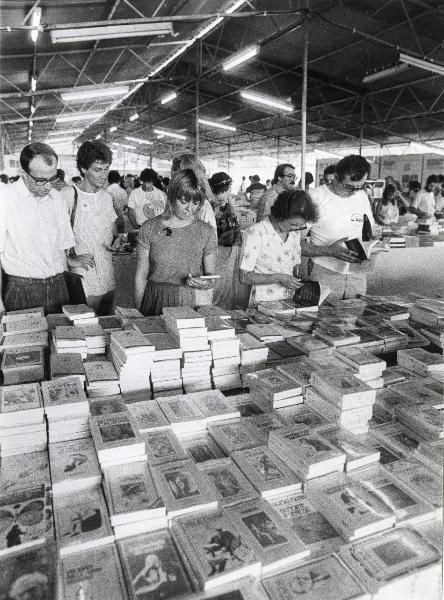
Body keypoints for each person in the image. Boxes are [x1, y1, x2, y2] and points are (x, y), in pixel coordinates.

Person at [0, 142, 89, 315]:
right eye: (41, 180)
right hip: (22, 290)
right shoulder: (5, 200)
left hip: (58, 287)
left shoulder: (56, 199)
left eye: (52, 178)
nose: (48, 186)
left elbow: (61, 245)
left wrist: (69, 261)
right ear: (23, 172)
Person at [135, 169, 218, 316]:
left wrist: (206, 283)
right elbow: (141, 275)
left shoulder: (206, 231)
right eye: (184, 201)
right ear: (172, 197)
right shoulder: (150, 228)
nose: (189, 209)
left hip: (190, 300)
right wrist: (138, 312)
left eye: (196, 203)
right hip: (155, 298)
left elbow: (211, 277)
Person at [302, 154, 379, 300]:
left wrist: (374, 245)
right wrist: (328, 251)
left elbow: (369, 232)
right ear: (336, 177)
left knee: (354, 316)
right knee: (323, 319)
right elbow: (292, 244)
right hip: (324, 272)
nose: (354, 192)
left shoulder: (361, 196)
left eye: (360, 186)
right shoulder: (314, 198)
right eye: (349, 187)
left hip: (357, 273)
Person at [66, 140, 121, 315]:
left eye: (106, 169)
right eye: (98, 170)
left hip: (108, 277)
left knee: (106, 327)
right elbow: (51, 237)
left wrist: (118, 240)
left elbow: (112, 231)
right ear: (83, 169)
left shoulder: (106, 197)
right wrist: (69, 260)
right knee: (84, 330)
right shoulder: (69, 195)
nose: (104, 175)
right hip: (83, 278)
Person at [240, 189, 317, 306]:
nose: (296, 229)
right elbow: (244, 277)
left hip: (290, 301)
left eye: (300, 226)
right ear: (280, 216)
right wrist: (278, 278)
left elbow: (295, 267)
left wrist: (305, 284)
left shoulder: (294, 233)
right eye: (293, 224)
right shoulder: (257, 232)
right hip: (263, 301)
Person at [208, 172, 243, 309]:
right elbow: (235, 232)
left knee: (212, 285)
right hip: (225, 251)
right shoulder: (225, 207)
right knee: (223, 287)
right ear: (226, 188)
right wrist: (234, 252)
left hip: (210, 250)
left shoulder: (208, 204)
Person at [170, 153, 217, 229]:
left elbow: (209, 239)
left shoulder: (203, 208)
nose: (172, 181)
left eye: (174, 176)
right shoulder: (174, 201)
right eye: (172, 176)